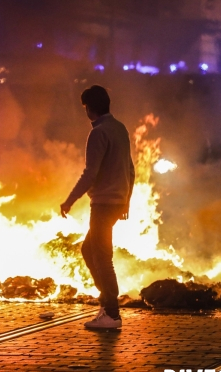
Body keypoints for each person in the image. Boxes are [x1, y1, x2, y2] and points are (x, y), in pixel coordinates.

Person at [60, 85, 135, 329]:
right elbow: (130, 170)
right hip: (116, 202)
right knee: (88, 250)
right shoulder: (120, 128)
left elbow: (90, 173)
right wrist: (126, 200)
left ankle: (112, 314)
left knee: (102, 257)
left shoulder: (99, 133)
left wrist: (70, 200)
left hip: (103, 203)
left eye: (85, 107)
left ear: (90, 108)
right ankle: (107, 302)